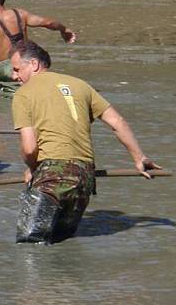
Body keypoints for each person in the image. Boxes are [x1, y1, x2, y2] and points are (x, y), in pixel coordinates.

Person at [10, 40, 161, 244]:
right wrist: (139, 157)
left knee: (30, 245)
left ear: (34, 64)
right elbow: (117, 122)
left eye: (17, 69)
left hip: (51, 177)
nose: (13, 76)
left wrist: (33, 168)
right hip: (84, 179)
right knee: (63, 243)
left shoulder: (23, 94)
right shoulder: (80, 85)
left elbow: (29, 148)